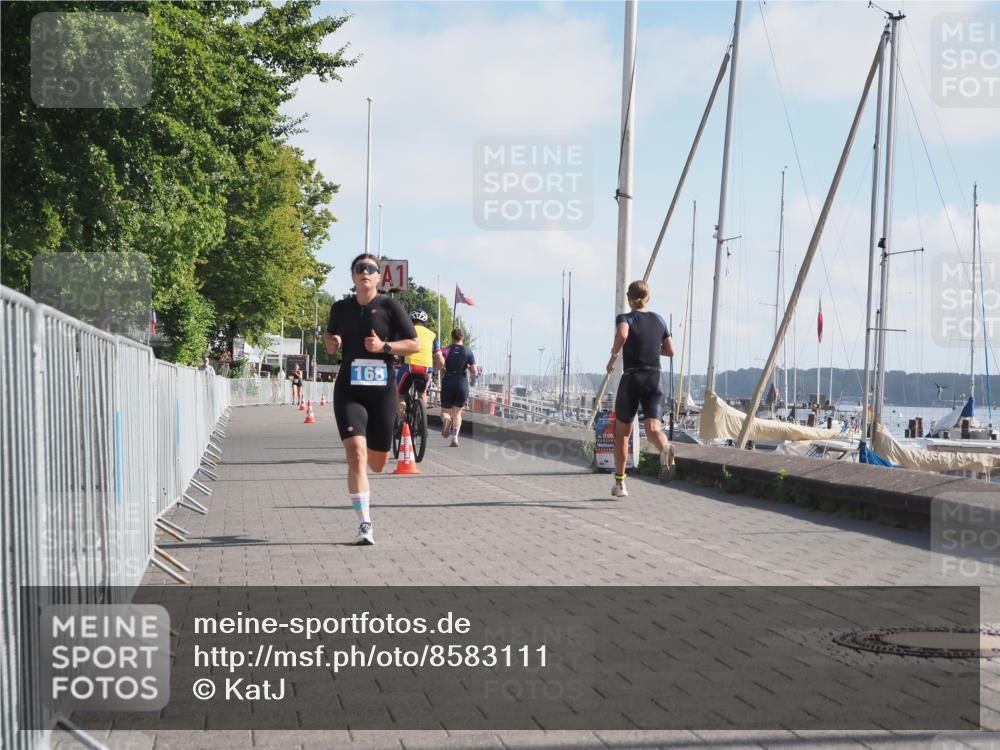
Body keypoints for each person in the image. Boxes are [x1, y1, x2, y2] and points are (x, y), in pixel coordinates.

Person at [325, 254, 419, 545]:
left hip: (381, 392)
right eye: (359, 269)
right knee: (356, 455)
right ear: (353, 276)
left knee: (377, 463)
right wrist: (334, 342)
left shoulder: (390, 306)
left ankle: (380, 449)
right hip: (349, 390)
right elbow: (331, 341)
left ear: (379, 277)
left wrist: (384, 346)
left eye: (371, 269)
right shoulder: (340, 308)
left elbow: (413, 344)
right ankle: (364, 522)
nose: (365, 272)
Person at [605, 280, 675, 498]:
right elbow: (670, 350)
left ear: (629, 298)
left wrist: (614, 356)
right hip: (654, 377)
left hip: (633, 377)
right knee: (654, 429)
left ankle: (620, 484)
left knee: (622, 435)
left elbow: (623, 335)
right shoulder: (659, 319)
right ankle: (665, 448)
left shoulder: (626, 318)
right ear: (648, 298)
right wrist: (653, 348)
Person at [435, 328, 476, 447]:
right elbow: (474, 369)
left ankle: (446, 419)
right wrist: (472, 380)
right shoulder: (468, 352)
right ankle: (455, 438)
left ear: (452, 338)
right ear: (463, 338)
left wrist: (438, 369)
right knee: (458, 413)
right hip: (462, 382)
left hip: (449, 380)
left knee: (445, 412)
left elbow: (440, 362)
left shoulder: (446, 350)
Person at [396, 309, 440, 418]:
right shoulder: (432, 335)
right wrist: (434, 371)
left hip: (409, 367)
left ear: (410, 321)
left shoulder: (405, 331)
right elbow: (440, 359)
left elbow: (396, 347)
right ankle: (420, 419)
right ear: (425, 323)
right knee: (422, 394)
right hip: (426, 369)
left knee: (399, 395)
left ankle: (401, 422)